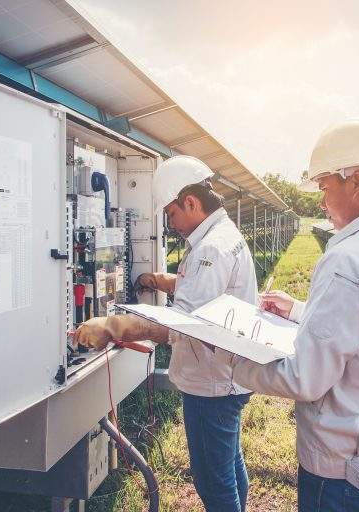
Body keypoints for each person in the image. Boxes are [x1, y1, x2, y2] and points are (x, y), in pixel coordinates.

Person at [224, 119, 359, 512]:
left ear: (356, 182)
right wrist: (300, 310)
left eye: (325, 187)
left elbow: (305, 378)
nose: (321, 202)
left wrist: (230, 359)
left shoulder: (348, 261)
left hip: (344, 471)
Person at [75, 155, 258, 512]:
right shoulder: (222, 236)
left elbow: (183, 323)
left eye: (172, 214)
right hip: (228, 378)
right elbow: (207, 291)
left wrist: (113, 326)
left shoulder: (211, 248)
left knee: (214, 482)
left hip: (211, 384)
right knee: (229, 466)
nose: (171, 225)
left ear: (190, 202)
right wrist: (161, 281)